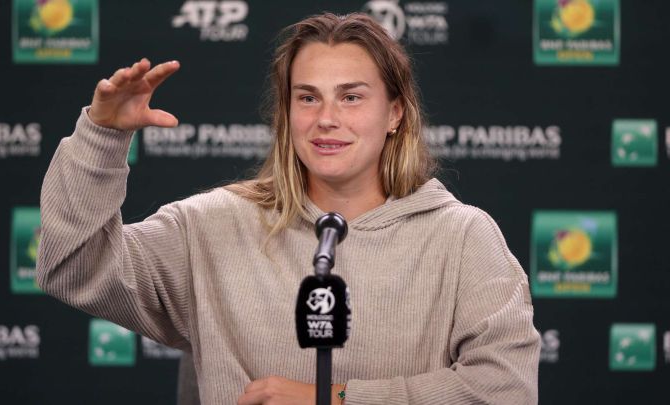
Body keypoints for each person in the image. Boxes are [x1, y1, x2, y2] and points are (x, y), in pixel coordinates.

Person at [38, 12, 540, 405]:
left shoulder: (463, 237)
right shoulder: (212, 225)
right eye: (307, 97)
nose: (326, 119)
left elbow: (506, 389)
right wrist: (103, 137)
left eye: (350, 97)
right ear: (287, 112)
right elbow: (72, 267)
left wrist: (338, 399)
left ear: (394, 113)